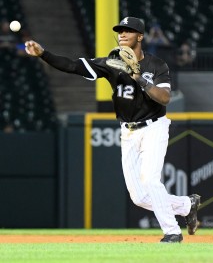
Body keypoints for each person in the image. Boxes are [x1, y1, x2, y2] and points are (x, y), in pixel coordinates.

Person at [25, 16, 201, 243]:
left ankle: (172, 232)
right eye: (120, 31)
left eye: (128, 31)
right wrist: (43, 54)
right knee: (139, 196)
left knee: (150, 180)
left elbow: (165, 98)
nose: (122, 34)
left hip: (154, 127)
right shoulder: (111, 63)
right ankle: (187, 205)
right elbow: (73, 66)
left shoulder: (156, 65)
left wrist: (139, 78)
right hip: (128, 131)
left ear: (140, 36)